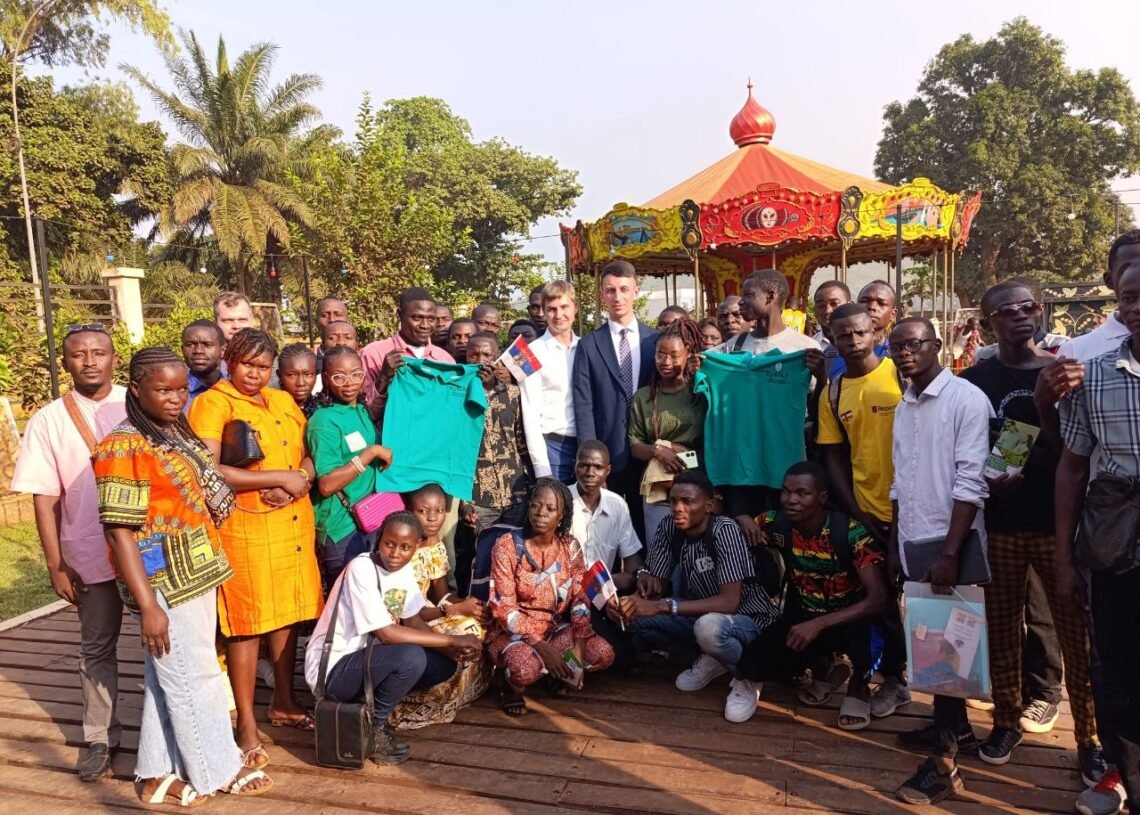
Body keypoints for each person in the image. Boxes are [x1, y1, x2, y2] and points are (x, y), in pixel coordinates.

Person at [93, 348, 273, 805]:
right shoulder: (124, 445)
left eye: (179, 390)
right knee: (196, 676)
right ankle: (217, 768)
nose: (175, 398)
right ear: (136, 389)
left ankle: (153, 773)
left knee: (167, 675)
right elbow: (119, 531)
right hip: (164, 580)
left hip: (198, 570)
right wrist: (149, 605)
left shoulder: (170, 431)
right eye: (163, 390)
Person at [959, 282, 1103, 781]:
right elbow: (984, 454)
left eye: (1029, 308)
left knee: (1075, 635)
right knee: (1000, 631)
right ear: (987, 323)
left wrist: (1040, 424)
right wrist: (998, 477)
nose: (1020, 316)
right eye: (1007, 310)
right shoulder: (976, 379)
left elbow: (1078, 453)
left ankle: (1090, 738)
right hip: (1000, 524)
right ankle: (1004, 720)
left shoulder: (1062, 371)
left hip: (1056, 525)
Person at [187, 328, 324, 768]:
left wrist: (298, 479)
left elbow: (309, 454)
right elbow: (208, 468)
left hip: (291, 525)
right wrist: (275, 479)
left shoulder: (283, 400)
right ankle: (245, 724)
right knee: (246, 625)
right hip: (244, 528)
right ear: (229, 359)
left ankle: (283, 703)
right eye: (248, 364)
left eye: (264, 367)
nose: (256, 374)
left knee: (285, 615)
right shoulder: (215, 401)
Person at [1045, 234, 1140, 815]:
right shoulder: (1096, 373)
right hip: (1114, 534)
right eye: (1129, 297)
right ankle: (1124, 774)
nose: (1137, 306)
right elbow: (1071, 469)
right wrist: (1063, 558)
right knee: (1117, 660)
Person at [10, 324, 126, 781]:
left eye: (100, 352)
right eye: (80, 355)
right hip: (89, 552)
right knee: (97, 647)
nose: (91, 361)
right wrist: (56, 561)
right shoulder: (49, 420)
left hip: (148, 549)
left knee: (162, 641)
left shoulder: (137, 403)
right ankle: (100, 737)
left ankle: (163, 733)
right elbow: (44, 496)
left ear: (115, 358)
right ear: (66, 362)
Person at [887, 318, 992, 805]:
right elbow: (898, 480)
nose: (906, 353)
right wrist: (895, 541)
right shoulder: (904, 404)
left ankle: (944, 767)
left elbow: (972, 480)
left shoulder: (965, 400)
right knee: (930, 643)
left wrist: (951, 552)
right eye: (898, 346)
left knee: (946, 657)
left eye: (916, 344)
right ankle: (954, 731)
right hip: (913, 537)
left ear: (937, 346)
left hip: (950, 542)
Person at [304, 512, 480, 764]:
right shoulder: (361, 568)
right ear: (379, 539)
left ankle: (368, 706)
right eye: (390, 544)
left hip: (365, 662)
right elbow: (387, 633)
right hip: (332, 670)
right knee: (411, 656)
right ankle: (373, 730)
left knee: (443, 665)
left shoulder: (403, 570)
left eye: (405, 547)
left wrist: (451, 651)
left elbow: (414, 620)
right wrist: (451, 641)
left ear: (416, 547)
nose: (396, 553)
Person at [616, 471, 778, 723]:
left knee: (708, 627)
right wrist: (643, 588)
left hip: (749, 621)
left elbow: (730, 602)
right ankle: (716, 657)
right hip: (699, 616)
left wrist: (661, 606)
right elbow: (656, 581)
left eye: (688, 501)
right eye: (673, 501)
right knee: (630, 618)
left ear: (709, 505)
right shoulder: (670, 526)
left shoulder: (724, 530)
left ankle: (748, 677)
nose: (678, 508)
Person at [740, 462, 888, 730]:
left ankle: (858, 686)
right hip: (805, 614)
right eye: (786, 492)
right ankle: (824, 668)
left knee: (866, 634)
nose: (791, 500)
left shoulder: (851, 533)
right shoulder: (777, 522)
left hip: (850, 621)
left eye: (801, 493)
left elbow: (878, 598)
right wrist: (742, 518)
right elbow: (737, 523)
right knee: (753, 664)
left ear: (822, 497)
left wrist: (819, 624)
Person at [814, 303, 909, 718]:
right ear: (831, 339)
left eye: (858, 333)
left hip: (913, 511)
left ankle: (900, 677)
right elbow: (832, 456)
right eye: (842, 336)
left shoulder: (900, 376)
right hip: (866, 511)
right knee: (881, 600)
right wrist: (855, 511)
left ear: (874, 330)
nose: (851, 342)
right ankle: (891, 678)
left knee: (912, 598)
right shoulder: (833, 392)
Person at [487, 478, 615, 716]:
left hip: (555, 629)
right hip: (513, 634)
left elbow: (579, 595)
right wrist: (541, 646)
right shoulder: (506, 546)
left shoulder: (569, 546)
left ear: (562, 515)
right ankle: (510, 687)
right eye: (536, 505)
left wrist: (578, 642)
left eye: (550, 508)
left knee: (603, 654)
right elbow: (503, 608)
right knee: (524, 669)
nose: (541, 513)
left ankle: (551, 675)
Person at [710, 269, 823, 519]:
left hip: (785, 462)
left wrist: (823, 376)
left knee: (784, 531)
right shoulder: (733, 346)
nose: (740, 302)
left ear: (771, 296)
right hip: (742, 464)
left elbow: (819, 406)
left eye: (748, 295)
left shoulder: (805, 348)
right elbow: (704, 368)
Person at [389, 484, 491, 729]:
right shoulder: (399, 550)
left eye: (440, 510)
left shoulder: (434, 545)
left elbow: (441, 594)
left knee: (475, 626)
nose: (433, 518)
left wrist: (470, 606)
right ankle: (417, 701)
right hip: (403, 621)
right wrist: (454, 610)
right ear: (409, 511)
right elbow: (402, 613)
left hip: (429, 612)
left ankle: (455, 695)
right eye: (424, 511)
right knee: (462, 629)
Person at [572, 260, 658, 538]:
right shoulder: (589, 345)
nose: (617, 297)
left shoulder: (655, 341)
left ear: (636, 290)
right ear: (602, 295)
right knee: (606, 532)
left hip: (649, 452)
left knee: (649, 530)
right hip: (608, 453)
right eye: (610, 290)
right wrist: (592, 464)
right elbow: (584, 405)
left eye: (624, 289)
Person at [307, 346, 394, 587]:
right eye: (339, 376)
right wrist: (371, 453)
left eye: (356, 374)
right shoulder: (323, 421)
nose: (349, 382)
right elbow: (326, 485)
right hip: (341, 526)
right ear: (326, 379)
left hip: (371, 519)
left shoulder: (361, 411)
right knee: (347, 603)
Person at [629, 318, 707, 542]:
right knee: (661, 554)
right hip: (659, 491)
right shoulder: (644, 397)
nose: (665, 361)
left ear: (688, 354)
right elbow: (635, 446)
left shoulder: (699, 393)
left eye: (674, 355)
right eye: (660, 355)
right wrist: (660, 451)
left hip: (696, 488)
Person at [569, 441, 645, 669]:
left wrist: (629, 584)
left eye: (597, 467)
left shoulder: (617, 505)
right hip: (568, 593)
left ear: (608, 470)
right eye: (584, 465)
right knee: (618, 656)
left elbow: (632, 565)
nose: (590, 472)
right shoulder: (560, 501)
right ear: (575, 467)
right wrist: (603, 591)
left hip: (605, 593)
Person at [461, 333, 533, 533]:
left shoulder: (514, 394)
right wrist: (464, 503)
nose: (480, 361)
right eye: (473, 355)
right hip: (479, 496)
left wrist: (531, 487)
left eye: (486, 355)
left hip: (515, 492)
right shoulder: (458, 397)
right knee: (484, 553)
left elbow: (522, 445)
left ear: (497, 356)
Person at [519, 280, 580, 482]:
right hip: (551, 447)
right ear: (544, 312)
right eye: (551, 309)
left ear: (575, 307)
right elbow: (529, 413)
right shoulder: (529, 354)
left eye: (564, 307)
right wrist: (542, 469)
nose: (558, 315)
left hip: (585, 444)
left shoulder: (587, 347)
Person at [361, 287, 454, 414]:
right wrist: (383, 378)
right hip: (388, 433)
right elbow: (364, 413)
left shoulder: (445, 360)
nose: (425, 325)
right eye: (417, 318)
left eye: (431, 319)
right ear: (399, 314)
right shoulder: (373, 353)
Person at [181, 319, 225, 412]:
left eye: (207, 344)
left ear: (222, 351)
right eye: (190, 344)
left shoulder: (237, 388)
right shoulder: (176, 394)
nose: (198, 350)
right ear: (182, 349)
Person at [811, 280, 852, 376]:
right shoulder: (811, 346)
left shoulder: (863, 344)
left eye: (834, 304)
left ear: (849, 305)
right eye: (821, 306)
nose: (827, 310)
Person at [856, 280, 898, 357]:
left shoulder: (897, 354)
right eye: (864, 301)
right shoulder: (835, 352)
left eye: (881, 303)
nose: (872, 307)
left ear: (892, 315)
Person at [278, 343, 319, 417]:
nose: (301, 383)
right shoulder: (271, 409)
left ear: (316, 374)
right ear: (279, 375)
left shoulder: (323, 410)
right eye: (292, 375)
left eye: (308, 374)